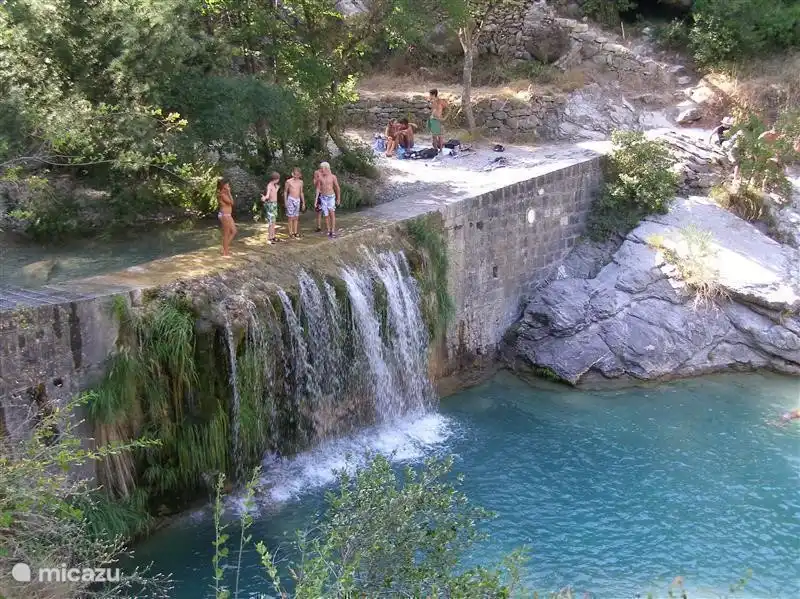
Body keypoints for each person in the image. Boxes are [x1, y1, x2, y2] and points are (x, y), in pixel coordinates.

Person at [316, 161, 340, 238]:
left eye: (322, 168)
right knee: (326, 214)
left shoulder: (333, 177)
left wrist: (338, 198)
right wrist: (316, 200)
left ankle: (332, 230)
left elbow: (337, 187)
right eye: (320, 169)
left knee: (331, 213)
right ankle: (329, 230)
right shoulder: (320, 177)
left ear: (326, 168)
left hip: (331, 197)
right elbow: (318, 188)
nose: (321, 170)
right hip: (323, 197)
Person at [216, 178, 237, 257]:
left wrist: (228, 192)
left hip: (228, 215)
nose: (229, 185)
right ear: (223, 185)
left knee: (234, 231)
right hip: (224, 215)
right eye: (227, 184)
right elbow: (232, 203)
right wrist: (229, 192)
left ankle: (224, 248)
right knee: (226, 234)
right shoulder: (222, 194)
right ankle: (225, 252)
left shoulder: (224, 193)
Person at [284, 167, 305, 239]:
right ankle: (291, 232)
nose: (296, 176)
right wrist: (285, 201)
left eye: (298, 175)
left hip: (297, 200)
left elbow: (301, 192)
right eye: (295, 174)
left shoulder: (301, 182)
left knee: (296, 217)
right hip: (290, 199)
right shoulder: (288, 181)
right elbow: (285, 192)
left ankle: (295, 232)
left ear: (300, 175)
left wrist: (303, 203)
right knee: (290, 217)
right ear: (292, 174)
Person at [261, 171, 281, 244]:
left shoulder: (274, 185)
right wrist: (264, 198)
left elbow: (274, 193)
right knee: (271, 222)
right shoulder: (269, 185)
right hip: (271, 204)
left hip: (275, 204)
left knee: (274, 221)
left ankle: (273, 236)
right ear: (275, 179)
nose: (278, 180)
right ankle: (269, 238)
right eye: (278, 179)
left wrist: (277, 189)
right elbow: (268, 195)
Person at [428, 89, 447, 153]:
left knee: (438, 136)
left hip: (437, 119)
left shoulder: (439, 101)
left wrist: (445, 117)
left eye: (430, 95)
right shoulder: (433, 101)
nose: (429, 96)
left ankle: (438, 149)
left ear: (433, 95)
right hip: (434, 119)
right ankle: (437, 149)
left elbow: (448, 108)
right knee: (436, 136)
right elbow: (432, 111)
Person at [313, 166, 324, 233]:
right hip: (319, 193)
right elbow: (315, 184)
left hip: (327, 194)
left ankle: (329, 226)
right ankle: (319, 226)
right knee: (319, 211)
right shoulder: (316, 173)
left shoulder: (327, 172)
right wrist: (318, 178)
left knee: (328, 210)